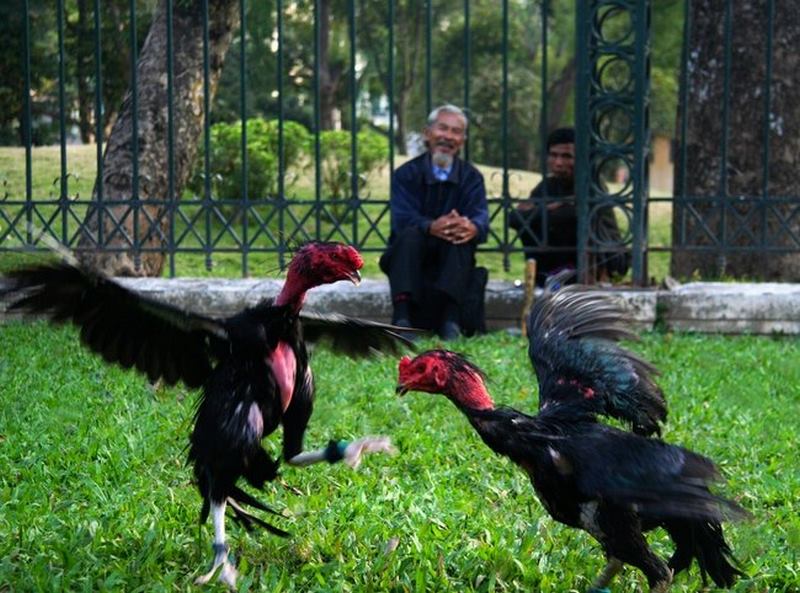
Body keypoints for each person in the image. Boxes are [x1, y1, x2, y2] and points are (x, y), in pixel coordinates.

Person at [380, 104, 489, 340]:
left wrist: (471, 227)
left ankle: (451, 321)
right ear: (427, 133)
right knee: (409, 235)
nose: (448, 137)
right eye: (442, 129)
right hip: (412, 257)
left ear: (463, 140)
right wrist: (431, 226)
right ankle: (402, 320)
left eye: (456, 131)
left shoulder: (471, 177)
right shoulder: (406, 174)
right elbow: (401, 219)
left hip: (451, 260)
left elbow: (481, 217)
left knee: (460, 237)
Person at [508, 127, 629, 286]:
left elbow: (578, 216)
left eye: (567, 156)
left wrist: (542, 211)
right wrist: (550, 209)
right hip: (552, 267)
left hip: (599, 261)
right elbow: (515, 219)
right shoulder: (547, 186)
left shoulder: (593, 186)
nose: (558, 163)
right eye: (553, 155)